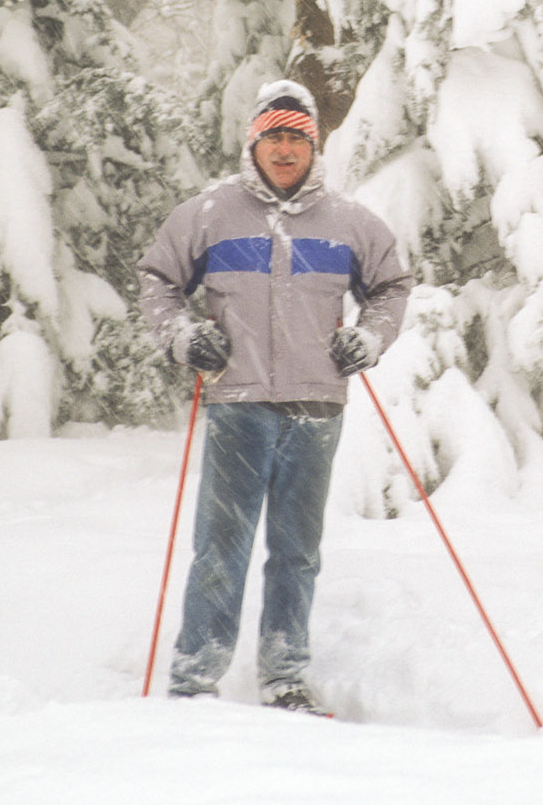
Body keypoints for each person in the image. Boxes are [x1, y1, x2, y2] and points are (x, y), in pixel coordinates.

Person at [138, 79, 412, 714]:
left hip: (317, 407)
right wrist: (183, 335)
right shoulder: (208, 214)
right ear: (253, 143)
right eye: (275, 137)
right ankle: (195, 677)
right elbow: (158, 279)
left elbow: (392, 287)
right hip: (239, 403)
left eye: (298, 138)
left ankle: (285, 678)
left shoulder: (350, 222)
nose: (286, 149)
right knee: (221, 545)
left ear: (314, 147)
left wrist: (369, 340)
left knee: (296, 549)